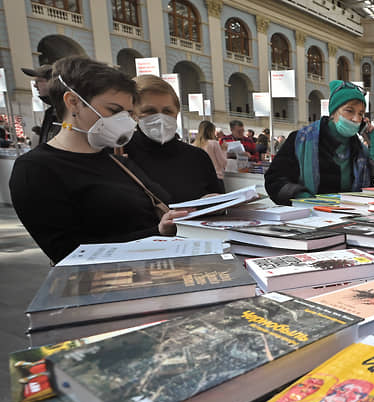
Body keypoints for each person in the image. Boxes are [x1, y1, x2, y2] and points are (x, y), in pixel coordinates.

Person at [9, 56, 187, 264]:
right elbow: (66, 252)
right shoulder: (35, 169)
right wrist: (156, 232)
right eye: (114, 110)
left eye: (129, 113)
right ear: (73, 102)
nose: (124, 121)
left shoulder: (117, 161)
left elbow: (158, 205)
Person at [264, 80, 374, 204]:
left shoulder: (360, 150)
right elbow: (274, 180)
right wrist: (304, 199)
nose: (356, 119)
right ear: (333, 112)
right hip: (308, 212)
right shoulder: (300, 140)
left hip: (350, 212)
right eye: (349, 111)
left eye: (360, 114)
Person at [124, 75, 223, 203]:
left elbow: (219, 204)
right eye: (149, 111)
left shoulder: (198, 157)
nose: (160, 118)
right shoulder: (120, 155)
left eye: (167, 111)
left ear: (177, 113)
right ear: (133, 114)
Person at [22, 64, 59, 144]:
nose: (35, 85)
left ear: (52, 82)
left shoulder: (67, 111)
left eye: (38, 81)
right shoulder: (52, 111)